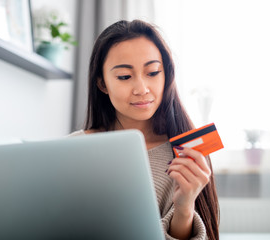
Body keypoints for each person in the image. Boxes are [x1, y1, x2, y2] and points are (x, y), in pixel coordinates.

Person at [71, 19, 219, 240]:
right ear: (102, 84)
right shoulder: (72, 148)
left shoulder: (186, 154)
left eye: (153, 72)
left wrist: (184, 207)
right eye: (124, 77)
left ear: (166, 74)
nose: (141, 89)